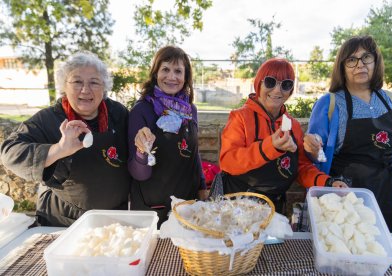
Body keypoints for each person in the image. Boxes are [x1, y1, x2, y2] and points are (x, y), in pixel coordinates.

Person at [0, 52, 131, 227]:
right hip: (64, 222)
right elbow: (10, 152)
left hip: (115, 221)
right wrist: (59, 149)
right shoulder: (48, 119)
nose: (85, 90)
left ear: (104, 87)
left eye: (94, 82)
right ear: (64, 86)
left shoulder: (117, 113)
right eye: (77, 82)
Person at [304, 35, 392, 231]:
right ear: (342, 67)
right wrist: (311, 145)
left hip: (383, 191)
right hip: (345, 196)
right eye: (352, 60)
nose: (360, 65)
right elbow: (314, 155)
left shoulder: (390, 99)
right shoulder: (329, 104)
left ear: (375, 61)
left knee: (378, 245)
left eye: (366, 58)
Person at [219, 58, 347, 214]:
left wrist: (327, 182)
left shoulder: (293, 125)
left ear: (291, 90)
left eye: (286, 84)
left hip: (274, 209)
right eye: (270, 82)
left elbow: (301, 167)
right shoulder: (240, 118)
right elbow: (228, 162)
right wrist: (269, 147)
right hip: (236, 207)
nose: (277, 90)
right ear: (259, 83)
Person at [128, 46, 207, 227]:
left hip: (188, 203)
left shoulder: (190, 110)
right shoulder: (141, 111)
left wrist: (202, 186)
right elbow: (137, 173)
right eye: (165, 69)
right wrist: (142, 152)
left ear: (186, 77)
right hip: (154, 206)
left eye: (178, 71)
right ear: (155, 73)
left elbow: (193, 152)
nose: (171, 77)